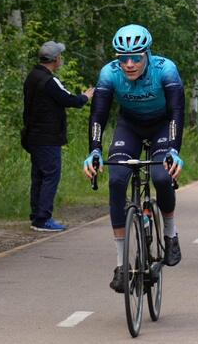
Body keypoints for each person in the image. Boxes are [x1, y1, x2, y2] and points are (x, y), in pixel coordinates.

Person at [82, 24, 185, 293]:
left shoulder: (165, 69)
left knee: (162, 177)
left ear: (147, 54)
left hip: (163, 125)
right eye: (122, 58)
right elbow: (99, 116)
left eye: (136, 57)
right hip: (130, 127)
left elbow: (176, 112)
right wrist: (94, 150)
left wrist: (174, 149)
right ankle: (121, 265)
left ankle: (170, 234)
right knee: (116, 179)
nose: (129, 64)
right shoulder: (109, 73)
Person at [22, 41, 95, 232]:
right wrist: (86, 97)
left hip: (33, 135)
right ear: (56, 59)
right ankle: (43, 218)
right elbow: (68, 99)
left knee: (38, 176)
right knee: (50, 176)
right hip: (48, 137)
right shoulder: (49, 80)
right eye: (60, 56)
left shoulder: (32, 76)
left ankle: (36, 215)